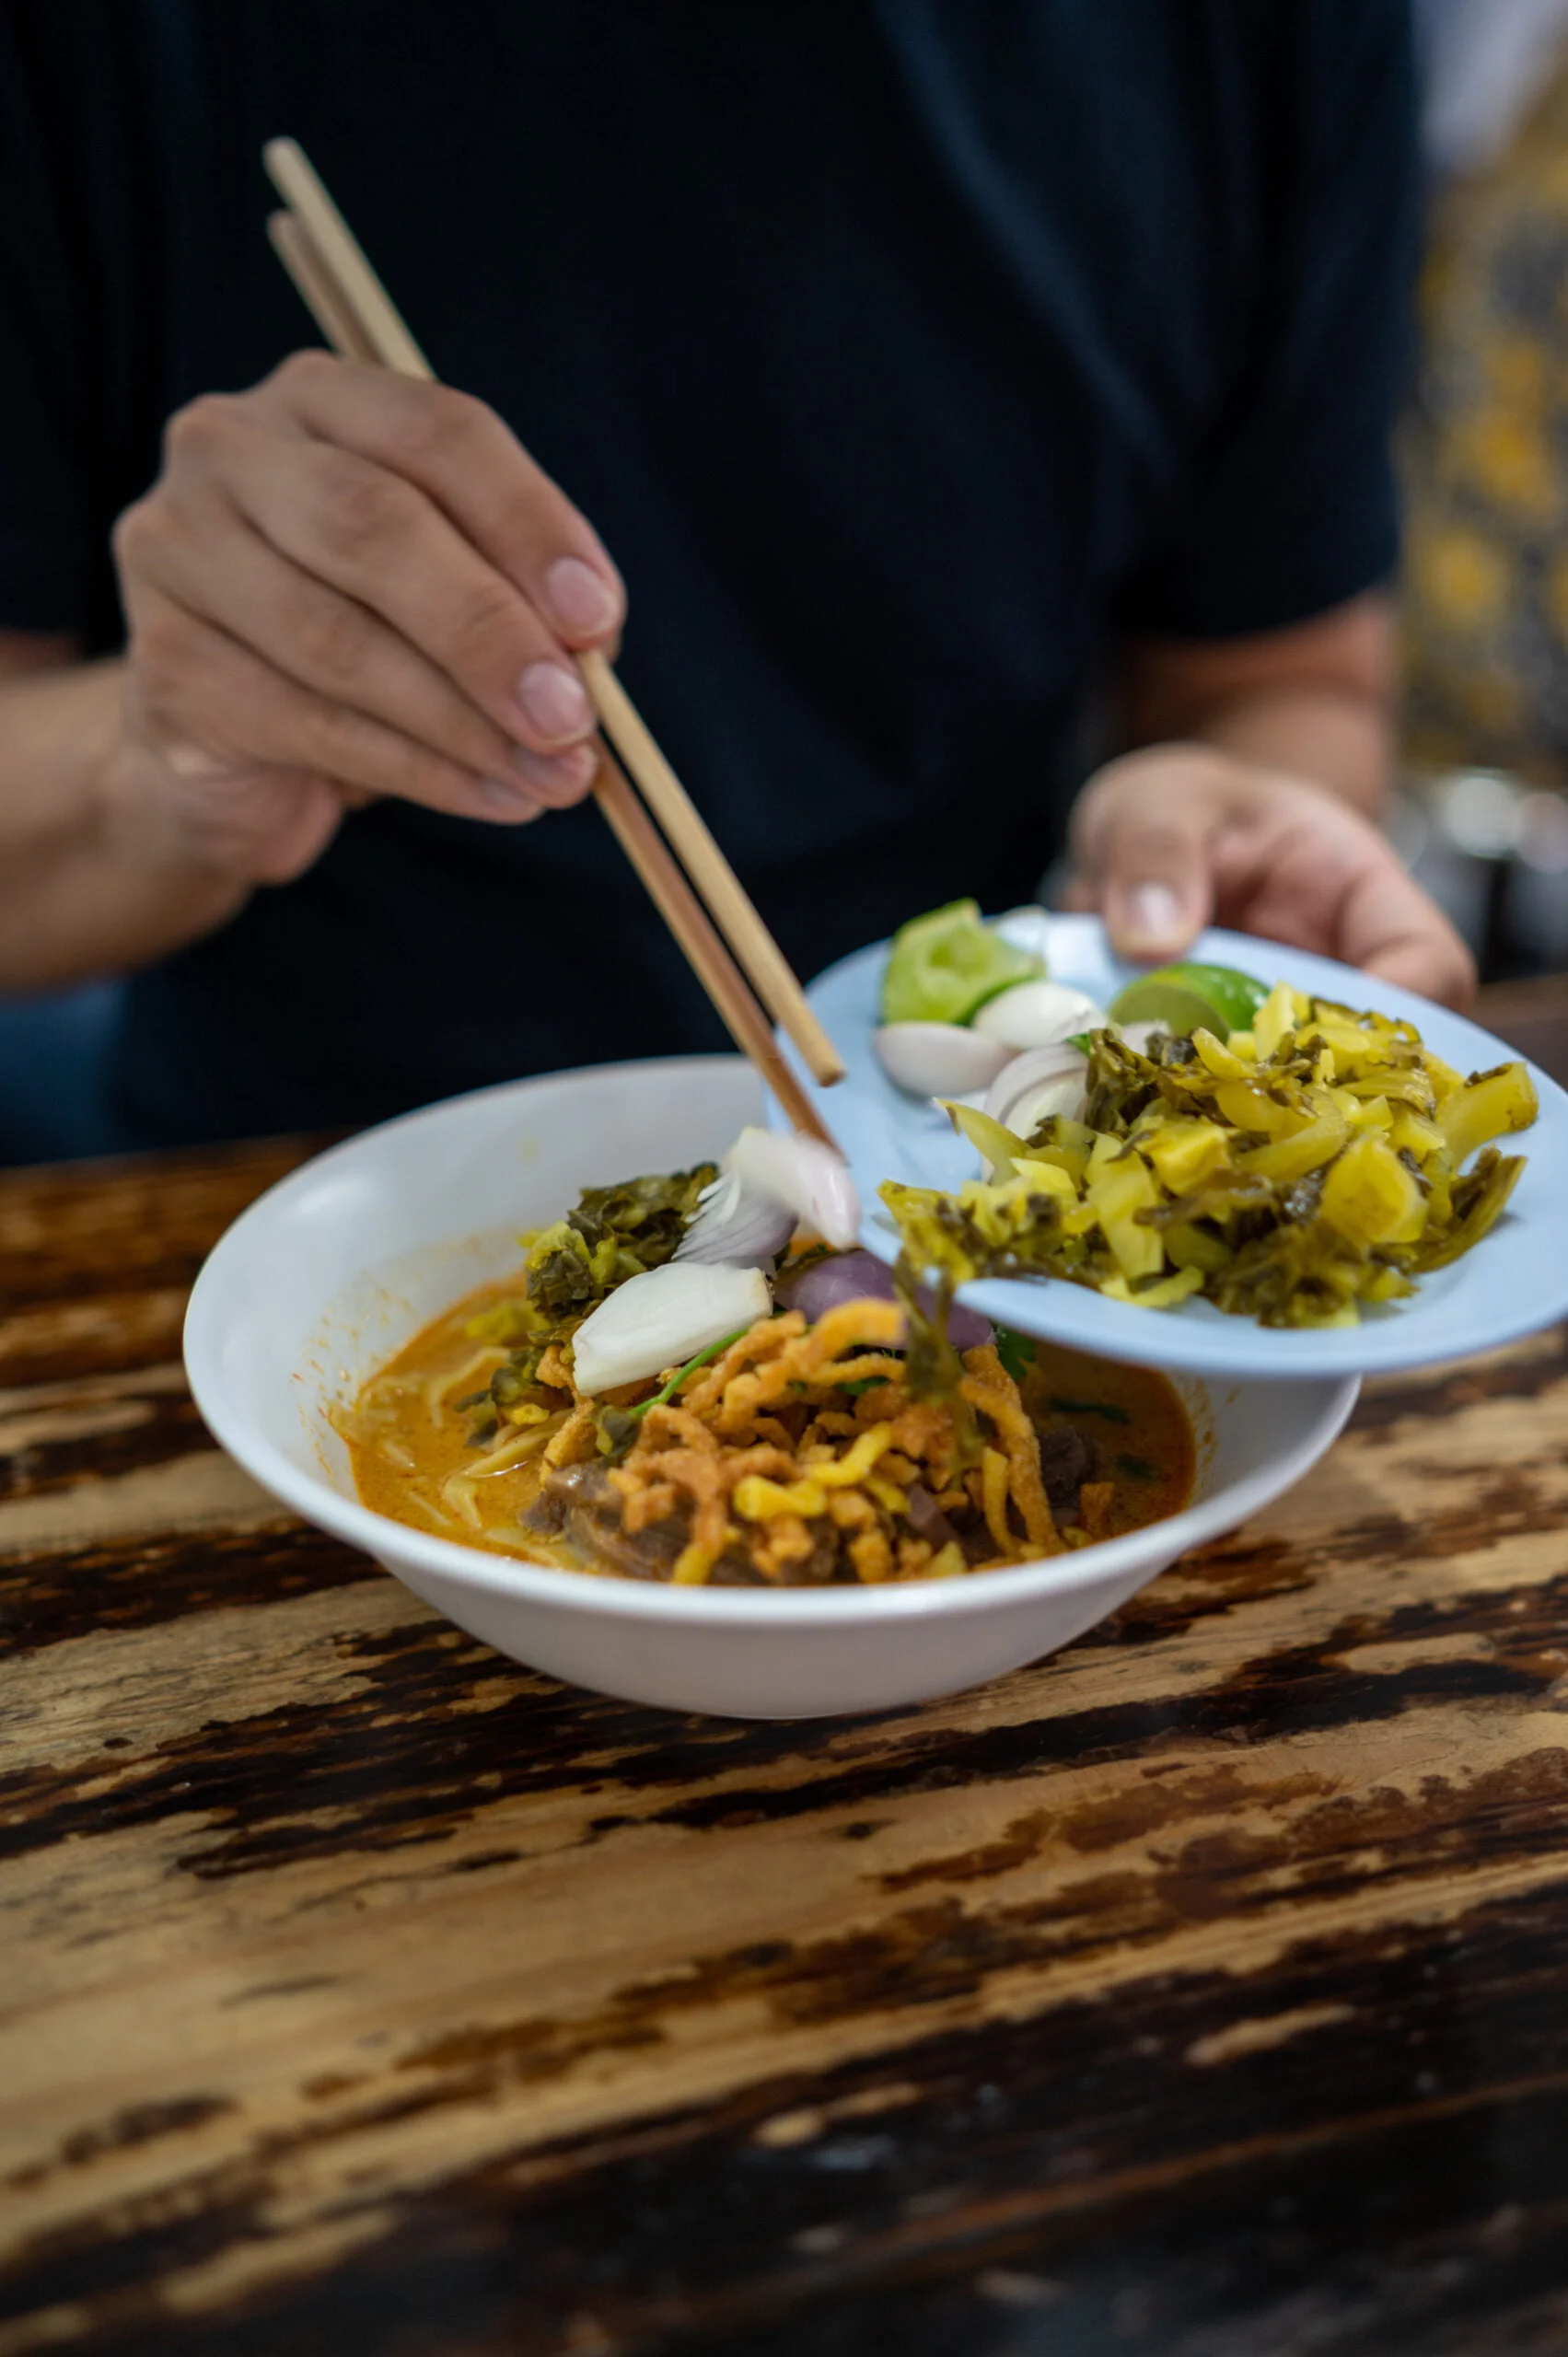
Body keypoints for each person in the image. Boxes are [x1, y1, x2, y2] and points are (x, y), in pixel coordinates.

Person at [0, 1, 1472, 1158]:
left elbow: (1278, 680)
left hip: (955, 1168)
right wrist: (157, 762)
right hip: (288, 1190)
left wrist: (1220, 836)